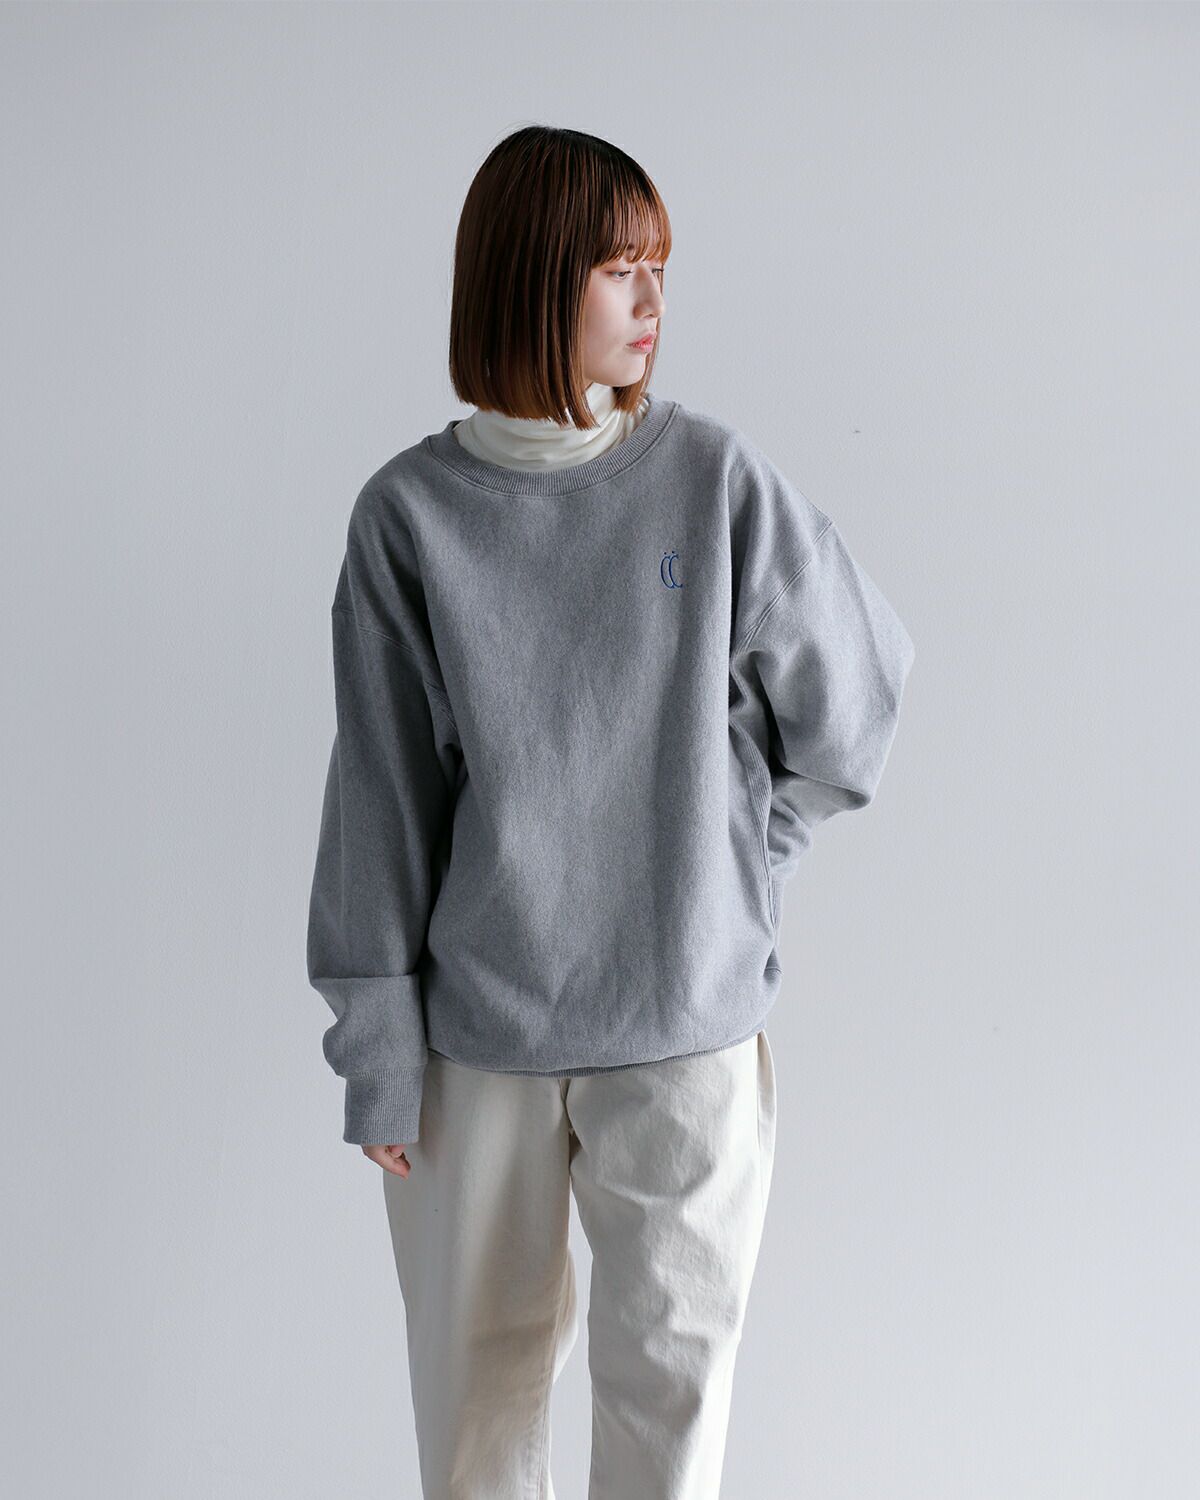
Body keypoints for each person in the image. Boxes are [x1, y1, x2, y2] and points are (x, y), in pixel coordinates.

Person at [306, 124, 915, 1500]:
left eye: (659, 266)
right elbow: (381, 797)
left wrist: (739, 869)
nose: (654, 299)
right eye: (619, 267)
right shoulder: (409, 518)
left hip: (685, 1038)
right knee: (476, 1428)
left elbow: (857, 694)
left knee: (668, 1429)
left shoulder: (714, 481)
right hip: (479, 1046)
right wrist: (377, 1051)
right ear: (532, 278)